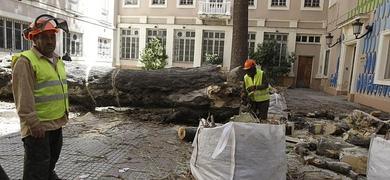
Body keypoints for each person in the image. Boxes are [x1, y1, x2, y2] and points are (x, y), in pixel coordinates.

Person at [11, 14, 69, 180]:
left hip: (56, 124)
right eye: (44, 37)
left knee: (47, 167)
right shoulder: (25, 62)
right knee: (36, 172)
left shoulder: (57, 60)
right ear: (34, 39)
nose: (50, 41)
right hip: (38, 129)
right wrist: (33, 124)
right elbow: (23, 97)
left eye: (52, 36)